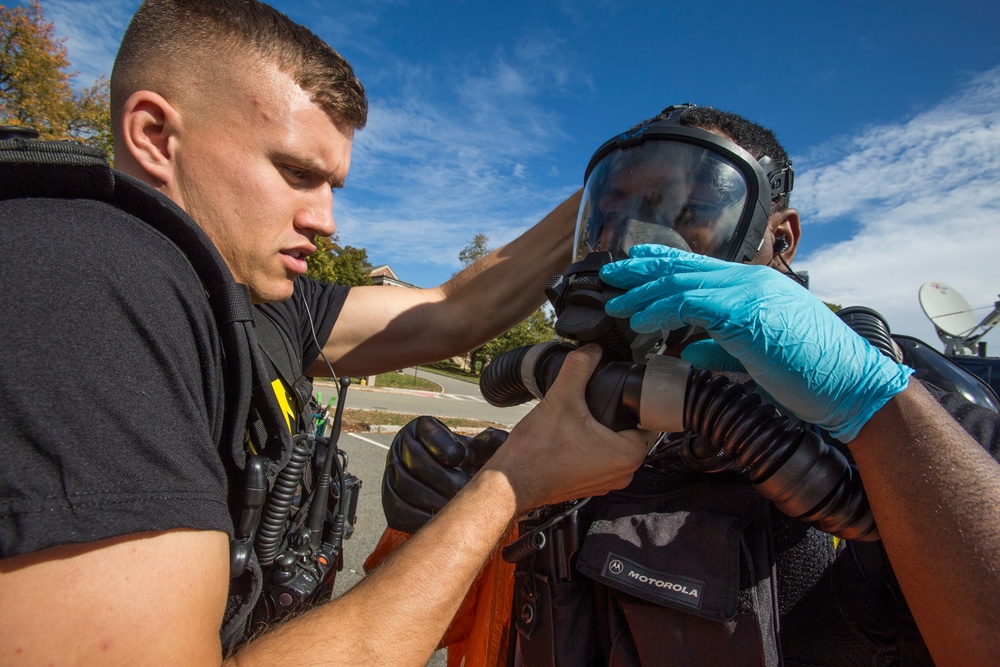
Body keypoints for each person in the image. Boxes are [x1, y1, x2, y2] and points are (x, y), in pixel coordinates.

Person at [0, 0, 656, 664]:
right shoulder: (77, 287)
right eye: (296, 173)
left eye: (334, 185)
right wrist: (514, 480)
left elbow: (452, 310)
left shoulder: (249, 292)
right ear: (153, 134)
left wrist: (618, 183)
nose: (327, 219)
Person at [381, 104, 1000, 666]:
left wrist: (874, 408)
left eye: (692, 212)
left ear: (777, 240)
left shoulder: (923, 420)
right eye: (612, 213)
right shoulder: (589, 401)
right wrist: (461, 520)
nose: (628, 240)